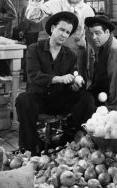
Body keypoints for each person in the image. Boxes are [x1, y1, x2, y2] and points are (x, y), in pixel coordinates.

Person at [15, 11, 94, 155]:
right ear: (52, 29)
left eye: (67, 32)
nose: (64, 35)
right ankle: (32, 145)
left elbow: (71, 83)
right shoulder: (34, 49)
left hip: (60, 99)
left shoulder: (70, 55)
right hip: (39, 99)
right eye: (61, 30)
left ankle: (73, 137)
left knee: (87, 97)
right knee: (22, 99)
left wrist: (75, 87)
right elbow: (33, 76)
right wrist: (58, 78)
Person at [26, 0, 95, 81]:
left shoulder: (88, 10)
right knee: (59, 84)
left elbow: (92, 36)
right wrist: (36, 0)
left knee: (78, 84)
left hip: (79, 52)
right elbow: (32, 17)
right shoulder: (55, 4)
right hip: (56, 52)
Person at [85, 14, 117, 110]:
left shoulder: (116, 51)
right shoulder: (103, 45)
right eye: (91, 33)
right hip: (104, 92)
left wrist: (110, 108)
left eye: (97, 33)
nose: (94, 37)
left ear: (107, 32)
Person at [17, 0, 43, 82]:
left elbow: (25, 21)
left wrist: (22, 31)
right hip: (35, 31)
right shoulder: (39, 5)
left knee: (29, 53)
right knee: (32, 52)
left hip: (30, 32)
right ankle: (27, 76)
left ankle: (26, 77)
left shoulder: (29, 6)